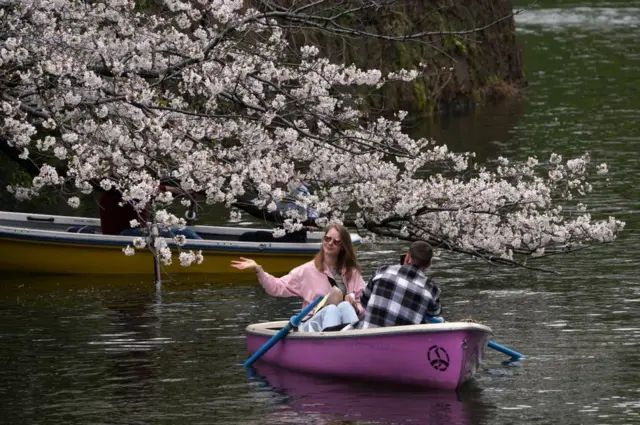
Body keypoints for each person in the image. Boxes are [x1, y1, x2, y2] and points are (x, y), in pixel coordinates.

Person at [231, 223, 364, 331]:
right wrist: (258, 270)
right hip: (312, 324)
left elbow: (364, 302)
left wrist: (355, 306)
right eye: (327, 239)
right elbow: (277, 287)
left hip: (343, 323)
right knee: (331, 310)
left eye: (336, 242)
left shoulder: (352, 272)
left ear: (343, 247)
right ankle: (331, 348)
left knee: (346, 306)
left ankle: (356, 343)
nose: (330, 243)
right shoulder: (306, 271)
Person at [354, 241, 442, 329]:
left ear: (407, 257)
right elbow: (434, 313)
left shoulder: (382, 271)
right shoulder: (431, 289)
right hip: (404, 341)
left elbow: (364, 300)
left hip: (370, 335)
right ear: (428, 265)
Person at [97, 185, 202, 239]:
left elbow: (152, 188)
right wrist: (176, 190)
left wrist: (181, 191)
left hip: (133, 230)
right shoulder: (119, 187)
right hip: (123, 233)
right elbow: (149, 188)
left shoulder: (132, 186)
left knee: (184, 231)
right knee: (186, 232)